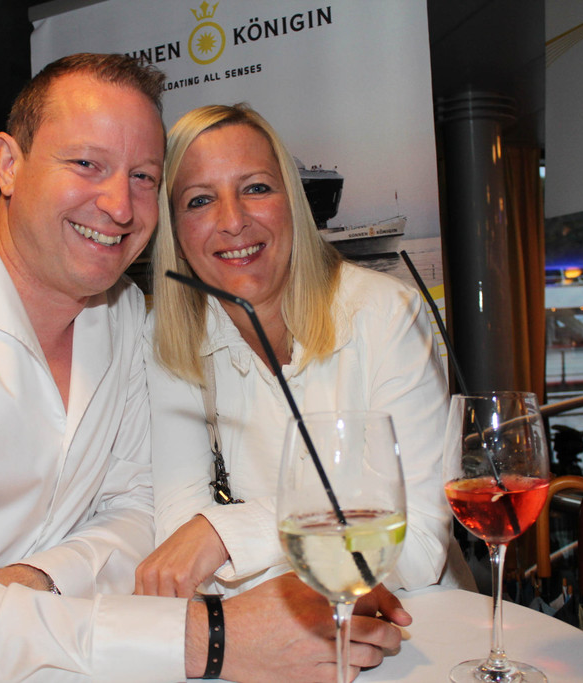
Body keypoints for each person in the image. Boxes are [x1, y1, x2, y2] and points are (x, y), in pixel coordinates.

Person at [0, 55, 407, 682]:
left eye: (143, 176)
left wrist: (35, 583)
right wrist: (209, 638)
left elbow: (137, 515)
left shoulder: (127, 315)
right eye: (87, 164)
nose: (120, 205)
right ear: (9, 164)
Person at [137, 103, 474, 600]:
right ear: (176, 232)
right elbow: (179, 544)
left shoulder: (386, 314)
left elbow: (418, 549)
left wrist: (231, 532)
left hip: (419, 625)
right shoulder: (167, 337)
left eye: (256, 188)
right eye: (200, 200)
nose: (233, 221)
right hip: (266, 628)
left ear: (292, 201)